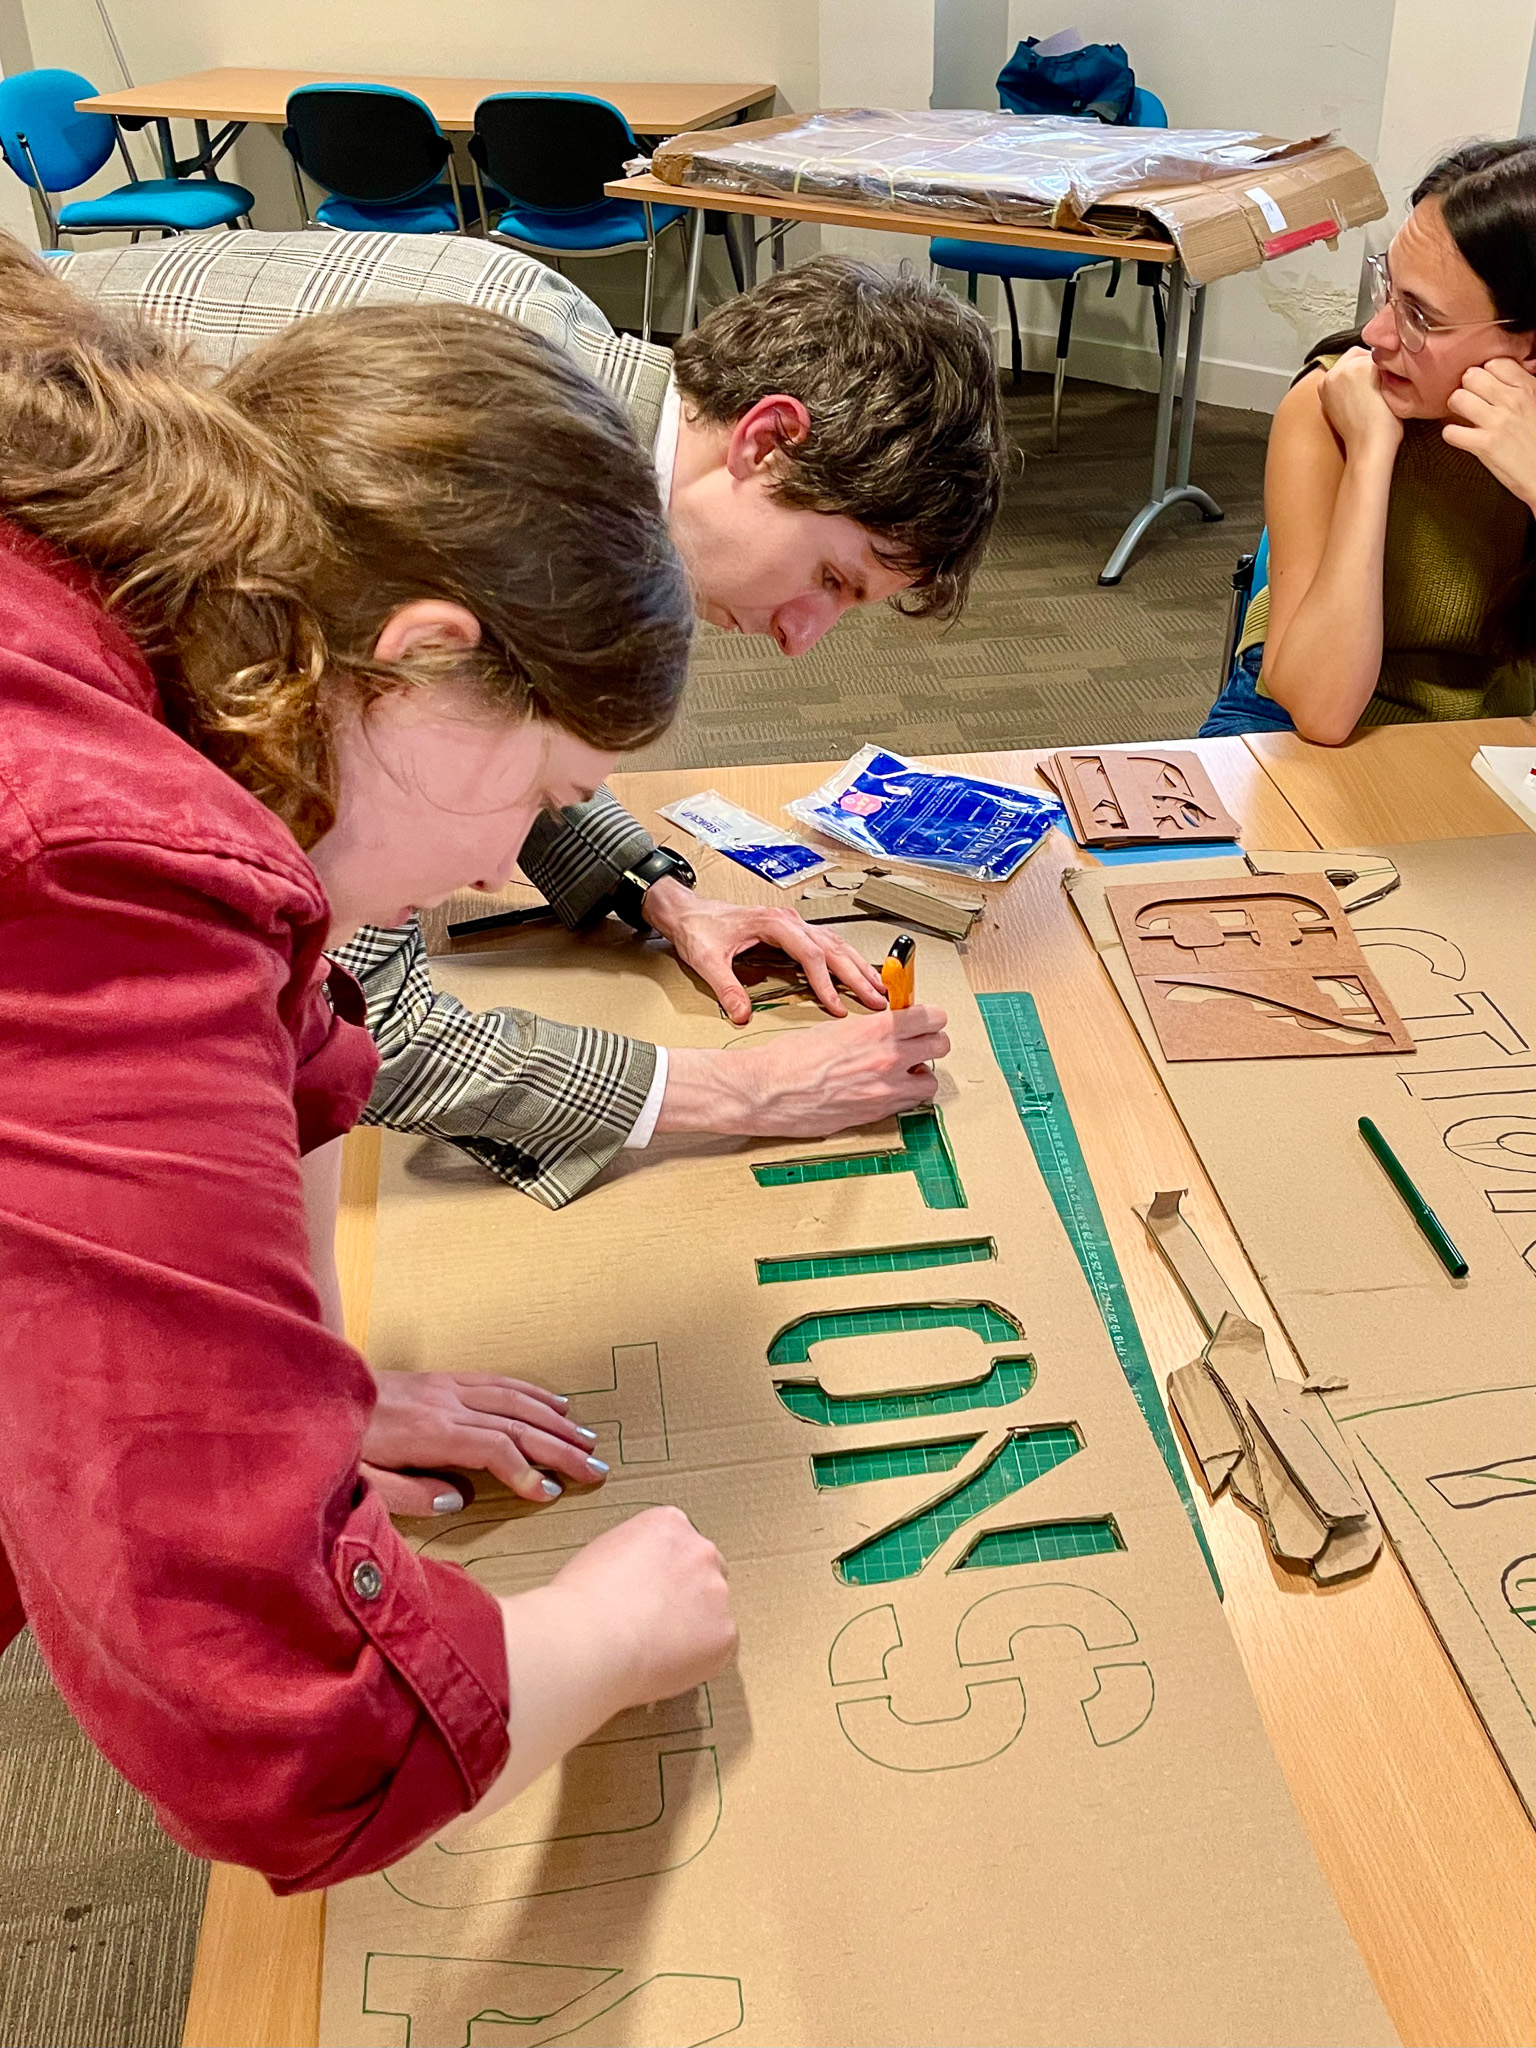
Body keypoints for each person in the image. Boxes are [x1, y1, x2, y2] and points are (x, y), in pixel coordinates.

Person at [0, 238, 737, 1888]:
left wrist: (302, 1392)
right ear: (415, 657)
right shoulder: (109, 851)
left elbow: (301, 1035)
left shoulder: (139, 595)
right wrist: (601, 1635)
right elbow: (294, 1742)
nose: (495, 865)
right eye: (540, 788)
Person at [54, 234, 1003, 1208]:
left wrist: (653, 890)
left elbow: (498, 718)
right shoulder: (483, 474)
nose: (803, 639)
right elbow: (351, 1009)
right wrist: (741, 1088)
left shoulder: (552, 362)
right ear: (766, 442)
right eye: (831, 578)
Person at [1200, 137, 1534, 743]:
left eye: (1421, 317)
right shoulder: (1332, 402)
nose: (1377, 333)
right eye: (1390, 288)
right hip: (1294, 713)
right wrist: (1371, 454)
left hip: (1489, 730)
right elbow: (1321, 712)